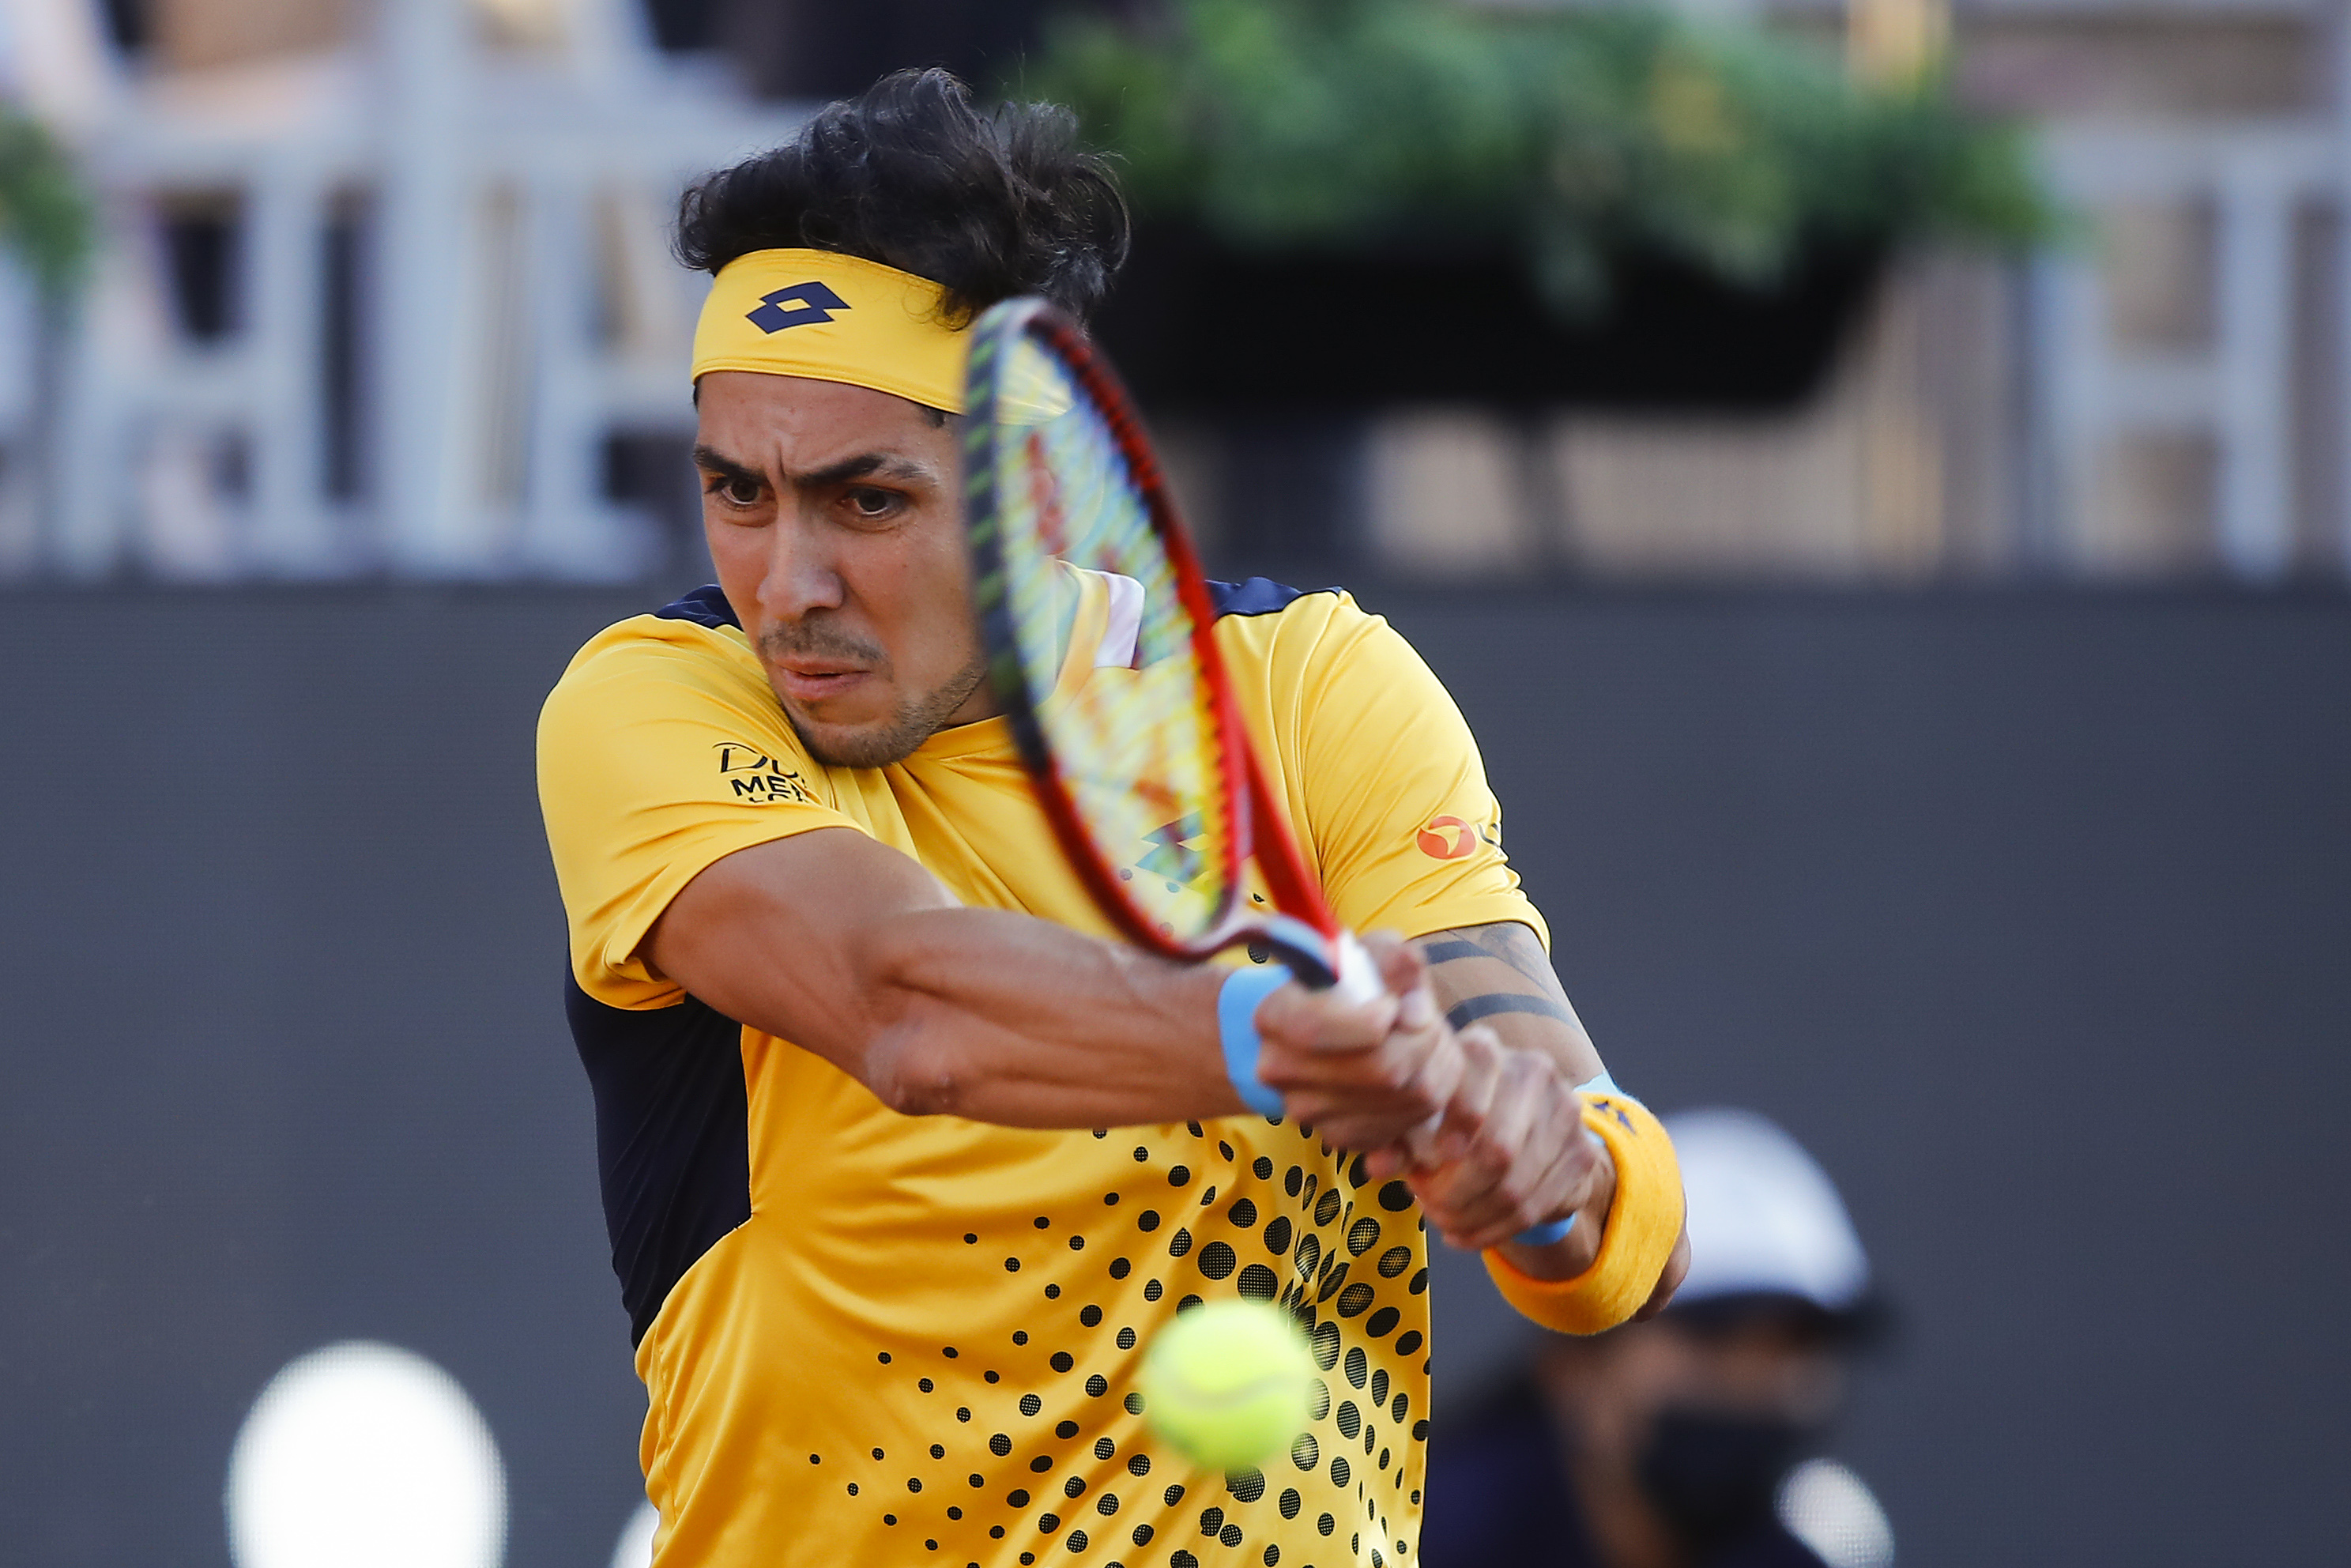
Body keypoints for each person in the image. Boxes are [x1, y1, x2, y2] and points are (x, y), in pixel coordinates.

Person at [536, 69, 1689, 1568]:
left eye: (864, 501)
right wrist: (1273, 1040)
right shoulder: (657, 705)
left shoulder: (1311, 687)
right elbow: (907, 1007)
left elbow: (1576, 1158)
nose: (788, 582)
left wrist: (1551, 1170)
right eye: (737, 492)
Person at [1420, 1110, 1893, 1568]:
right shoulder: (1426, 1541)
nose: (1752, 1385)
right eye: (1715, 1338)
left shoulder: (1815, 1547)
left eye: (1796, 1347)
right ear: (1574, 1364)